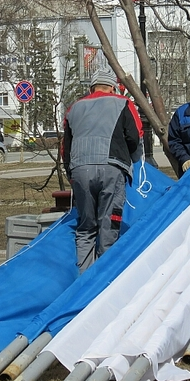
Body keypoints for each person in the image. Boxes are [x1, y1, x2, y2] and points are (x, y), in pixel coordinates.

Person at [63, 67, 143, 273]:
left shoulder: (74, 108)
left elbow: (66, 147)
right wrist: (130, 159)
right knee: (109, 228)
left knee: (86, 227)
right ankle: (104, 280)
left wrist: (71, 174)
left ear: (91, 88)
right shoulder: (123, 103)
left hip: (80, 170)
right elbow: (135, 136)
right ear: (113, 88)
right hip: (112, 168)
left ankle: (84, 279)